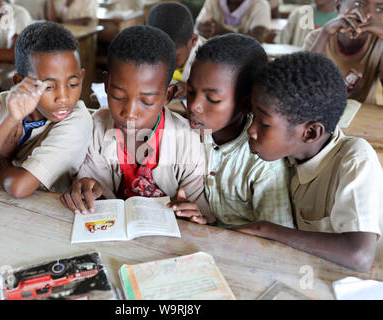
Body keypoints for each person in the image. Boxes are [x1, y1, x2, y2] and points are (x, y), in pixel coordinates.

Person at [237, 51, 382, 272]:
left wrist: (266, 229)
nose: (251, 130)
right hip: (308, 271)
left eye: (264, 124)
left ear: (310, 133)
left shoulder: (354, 159)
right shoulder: (287, 156)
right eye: (253, 117)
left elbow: (359, 256)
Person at [61, 25, 212, 225]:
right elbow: (95, 196)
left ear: (168, 96)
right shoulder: (97, 129)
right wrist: (89, 189)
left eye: (147, 101)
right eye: (118, 96)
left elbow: (202, 215)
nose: (129, 113)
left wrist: (192, 215)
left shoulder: (188, 142)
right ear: (106, 84)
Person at [167, 34, 294, 229]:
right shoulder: (186, 138)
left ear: (246, 103)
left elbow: (275, 239)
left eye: (213, 99)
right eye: (191, 92)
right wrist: (193, 217)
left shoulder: (264, 163)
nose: (194, 106)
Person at [0, 21, 93, 198]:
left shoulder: (76, 119)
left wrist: (3, 159)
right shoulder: (6, 103)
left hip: (46, 214)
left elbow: (19, 188)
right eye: (49, 87)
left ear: (81, 77)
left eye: (73, 84)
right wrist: (10, 120)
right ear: (20, 82)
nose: (64, 98)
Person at [303, 0, 382, 104]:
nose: (368, 14)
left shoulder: (380, 43)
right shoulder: (318, 37)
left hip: (363, 116)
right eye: (359, 4)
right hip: (321, 113)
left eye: (381, 9)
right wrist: (325, 34)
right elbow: (303, 87)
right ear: (338, 6)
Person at [146, 1, 206, 100]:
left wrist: (193, 89)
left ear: (193, 40)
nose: (166, 63)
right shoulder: (149, 48)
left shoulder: (210, 61)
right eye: (159, 54)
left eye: (174, 57)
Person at [195, 0, 271, 42]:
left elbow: (258, 39)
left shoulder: (261, 4)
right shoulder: (213, 1)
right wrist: (203, 29)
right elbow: (198, 26)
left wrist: (222, 32)